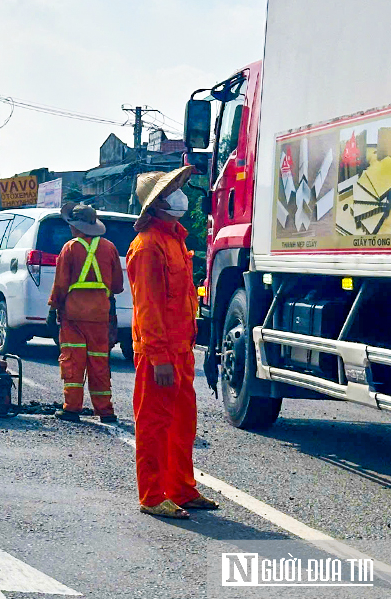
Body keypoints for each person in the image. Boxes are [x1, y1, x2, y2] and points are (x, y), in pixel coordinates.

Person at [127, 166, 220, 520]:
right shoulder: (148, 246)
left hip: (180, 350)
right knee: (153, 423)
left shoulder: (175, 240)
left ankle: (181, 489)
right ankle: (152, 495)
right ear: (157, 205)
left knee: (182, 424)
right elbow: (148, 307)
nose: (181, 194)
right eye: (173, 190)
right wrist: (159, 357)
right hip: (160, 354)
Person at [48, 202, 123, 424]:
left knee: (73, 361)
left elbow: (60, 285)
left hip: (74, 316)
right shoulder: (109, 248)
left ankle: (71, 409)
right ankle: (105, 411)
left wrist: (53, 308)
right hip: (101, 315)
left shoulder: (70, 248)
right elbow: (117, 286)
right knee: (99, 362)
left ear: (75, 227)